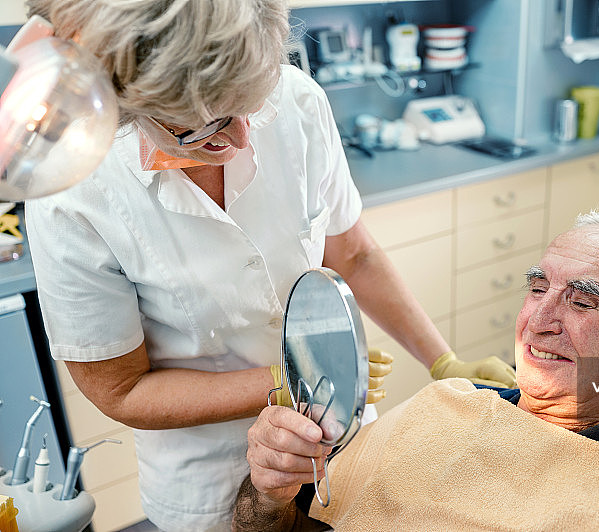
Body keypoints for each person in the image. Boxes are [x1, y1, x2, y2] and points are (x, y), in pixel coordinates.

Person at [22, 1, 515, 530]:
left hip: (342, 441)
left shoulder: (297, 100)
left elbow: (354, 253)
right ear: (131, 106)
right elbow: (121, 390)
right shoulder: (72, 189)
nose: (240, 140)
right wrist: (294, 378)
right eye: (204, 127)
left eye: (250, 109)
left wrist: (442, 361)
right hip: (211, 478)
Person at [233, 211, 599, 531]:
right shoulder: (445, 403)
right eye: (537, 289)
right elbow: (283, 525)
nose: (538, 322)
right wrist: (270, 492)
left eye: (584, 302)